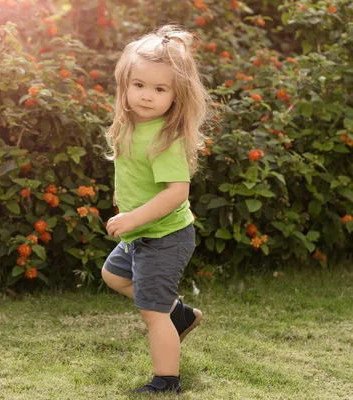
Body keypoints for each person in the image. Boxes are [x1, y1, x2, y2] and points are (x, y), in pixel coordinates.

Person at [102, 25, 210, 394]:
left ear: (176, 95)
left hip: (164, 236)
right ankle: (178, 315)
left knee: (152, 312)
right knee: (114, 276)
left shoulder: (166, 138)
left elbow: (177, 192)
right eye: (139, 85)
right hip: (142, 232)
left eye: (160, 89)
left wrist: (133, 216)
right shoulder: (131, 124)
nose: (147, 96)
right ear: (125, 86)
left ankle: (166, 380)